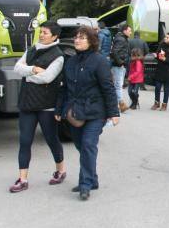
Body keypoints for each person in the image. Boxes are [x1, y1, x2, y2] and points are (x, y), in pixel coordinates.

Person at [55, 26, 119, 201]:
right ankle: (93, 179)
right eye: (76, 37)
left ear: (91, 41)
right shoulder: (71, 62)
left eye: (82, 37)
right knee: (80, 146)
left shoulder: (100, 61)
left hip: (95, 112)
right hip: (75, 112)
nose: (77, 40)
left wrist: (114, 113)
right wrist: (59, 110)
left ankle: (85, 184)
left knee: (88, 144)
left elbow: (108, 88)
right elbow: (64, 88)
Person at [9, 21, 67, 193]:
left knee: (51, 139)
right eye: (41, 31)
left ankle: (61, 170)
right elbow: (17, 67)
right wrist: (33, 69)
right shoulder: (32, 49)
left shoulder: (58, 56)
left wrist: (27, 75)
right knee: (25, 141)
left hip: (47, 105)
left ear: (55, 36)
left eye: (45, 32)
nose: (41, 35)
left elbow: (48, 78)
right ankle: (22, 179)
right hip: (27, 103)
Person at [111, 23, 132, 114]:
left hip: (119, 65)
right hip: (118, 65)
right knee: (118, 85)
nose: (131, 32)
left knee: (118, 85)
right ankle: (121, 104)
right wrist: (121, 62)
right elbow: (114, 51)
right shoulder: (121, 39)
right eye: (129, 30)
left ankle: (117, 104)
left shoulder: (122, 38)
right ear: (124, 30)